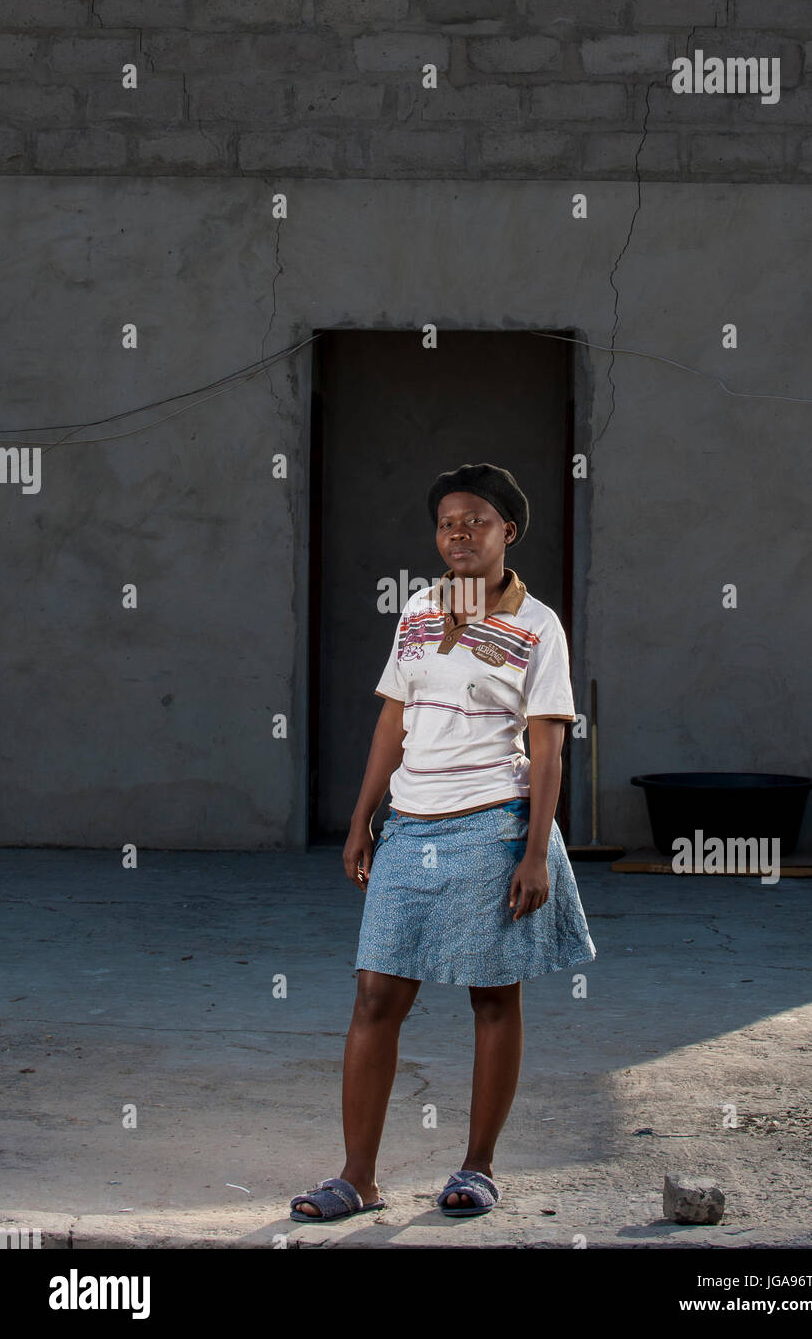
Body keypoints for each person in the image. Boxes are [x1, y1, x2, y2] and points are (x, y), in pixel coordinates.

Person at [290, 462, 596, 1222]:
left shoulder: (539, 626)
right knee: (375, 996)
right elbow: (393, 720)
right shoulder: (419, 610)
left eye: (477, 521)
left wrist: (534, 851)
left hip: (492, 825)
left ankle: (477, 1167)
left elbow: (549, 746)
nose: (459, 533)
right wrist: (364, 818)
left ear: (508, 532)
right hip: (409, 825)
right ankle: (356, 1179)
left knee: (492, 997)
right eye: (447, 522)